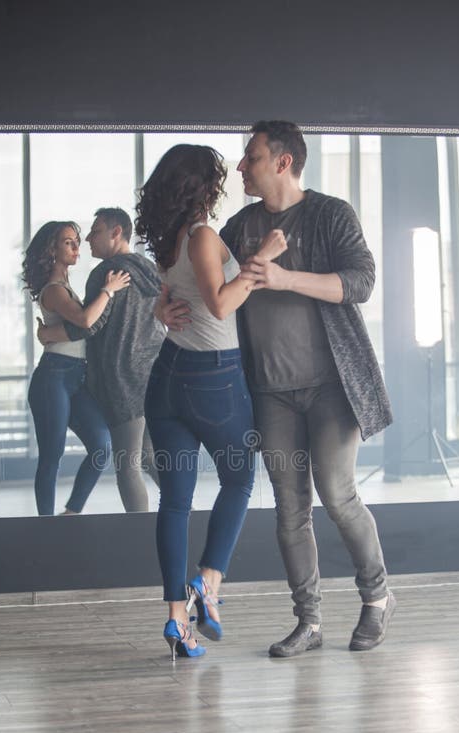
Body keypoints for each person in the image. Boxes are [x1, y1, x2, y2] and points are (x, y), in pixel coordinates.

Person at [163, 122, 395, 656]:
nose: (242, 166)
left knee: (337, 494)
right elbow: (200, 280)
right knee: (290, 510)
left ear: (283, 162)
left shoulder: (331, 214)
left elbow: (361, 282)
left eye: (251, 156)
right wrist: (161, 303)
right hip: (268, 392)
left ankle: (377, 598)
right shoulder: (240, 226)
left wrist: (286, 277)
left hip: (333, 387)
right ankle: (309, 622)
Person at [135, 144, 287, 660]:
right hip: (214, 381)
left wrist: (160, 308)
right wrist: (261, 258)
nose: (229, 179)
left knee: (175, 502)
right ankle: (209, 582)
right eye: (220, 176)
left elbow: (171, 296)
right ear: (202, 185)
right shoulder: (201, 236)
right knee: (240, 479)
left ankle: (178, 620)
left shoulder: (168, 237)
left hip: (169, 377)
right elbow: (221, 304)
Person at [37, 208, 165, 512]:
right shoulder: (150, 271)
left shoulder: (105, 273)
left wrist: (48, 334)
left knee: (127, 464)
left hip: (122, 379)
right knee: (147, 455)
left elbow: (88, 325)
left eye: (95, 232)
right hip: (154, 375)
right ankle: (184, 513)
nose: (89, 240)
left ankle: (139, 535)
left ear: (116, 232)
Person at [23, 220, 130, 516]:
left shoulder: (66, 287)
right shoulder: (54, 290)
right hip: (53, 378)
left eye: (77, 241)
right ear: (52, 249)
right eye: (68, 242)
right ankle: (46, 523)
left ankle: (71, 512)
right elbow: (85, 321)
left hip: (76, 378)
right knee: (52, 456)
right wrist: (108, 290)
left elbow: (79, 329)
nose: (77, 247)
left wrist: (47, 334)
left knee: (101, 446)